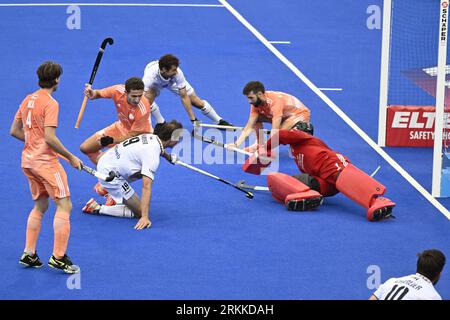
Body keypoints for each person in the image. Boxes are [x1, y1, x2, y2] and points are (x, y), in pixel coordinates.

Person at [10, 61, 82, 273]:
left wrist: (34, 142)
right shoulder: (51, 103)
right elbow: (50, 138)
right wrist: (70, 157)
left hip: (28, 163)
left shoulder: (27, 99)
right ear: (57, 79)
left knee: (40, 206)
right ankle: (58, 257)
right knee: (65, 206)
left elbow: (14, 131)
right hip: (46, 164)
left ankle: (29, 253)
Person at [243, 127, 395, 221]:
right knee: (285, 180)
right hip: (326, 185)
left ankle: (375, 200)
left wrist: (264, 149)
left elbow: (281, 135)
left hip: (330, 166)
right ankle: (307, 195)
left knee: (341, 176)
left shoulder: (305, 138)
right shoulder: (298, 155)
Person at [82, 120, 183, 230]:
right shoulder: (152, 155)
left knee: (143, 169)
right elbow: (146, 186)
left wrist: (168, 157)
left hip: (106, 159)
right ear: (172, 138)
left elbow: (158, 150)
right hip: (110, 175)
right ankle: (96, 207)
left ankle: (106, 188)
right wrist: (144, 217)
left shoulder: (151, 137)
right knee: (139, 211)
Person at [142, 54, 232, 127]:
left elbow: (184, 96)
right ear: (164, 69)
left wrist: (193, 119)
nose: (176, 72)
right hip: (155, 84)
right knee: (147, 101)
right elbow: (142, 103)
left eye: (176, 69)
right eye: (173, 70)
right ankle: (160, 122)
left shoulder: (177, 73)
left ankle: (218, 121)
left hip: (171, 81)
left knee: (197, 102)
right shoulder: (149, 78)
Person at [80, 77, 153, 165]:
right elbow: (98, 93)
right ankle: (110, 173)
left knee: (102, 160)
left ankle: (110, 171)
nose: (137, 100)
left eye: (140, 96)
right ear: (125, 93)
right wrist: (93, 94)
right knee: (85, 148)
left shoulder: (143, 109)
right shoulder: (117, 90)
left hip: (137, 138)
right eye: (134, 96)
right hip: (120, 127)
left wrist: (111, 140)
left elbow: (131, 136)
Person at [228, 81, 312, 152]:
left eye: (251, 98)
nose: (249, 101)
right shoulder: (255, 104)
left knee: (280, 134)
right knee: (257, 119)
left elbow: (274, 131)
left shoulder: (276, 102)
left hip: (299, 114)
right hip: (283, 116)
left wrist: (265, 150)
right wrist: (236, 144)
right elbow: (249, 126)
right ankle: (259, 144)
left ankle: (302, 138)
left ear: (260, 94)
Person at [369, 249, 446, 300]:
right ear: (439, 273)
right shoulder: (433, 296)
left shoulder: (392, 281)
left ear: (418, 266)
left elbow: (372, 298)